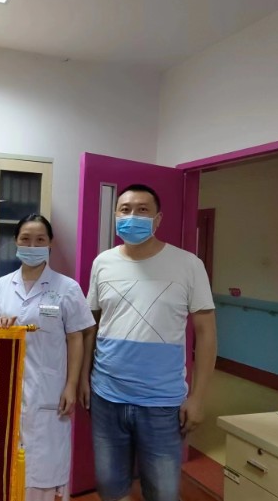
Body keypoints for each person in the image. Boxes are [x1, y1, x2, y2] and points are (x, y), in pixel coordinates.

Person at [79, 184, 217, 501]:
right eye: (125, 209)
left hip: (162, 403)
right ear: (116, 215)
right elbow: (92, 325)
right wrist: (85, 378)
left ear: (158, 219)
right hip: (106, 398)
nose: (132, 216)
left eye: (142, 210)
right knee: (110, 488)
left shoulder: (188, 264)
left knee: (163, 492)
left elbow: (207, 333)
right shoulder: (103, 262)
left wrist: (198, 398)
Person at [0, 214, 95, 501]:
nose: (32, 245)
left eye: (40, 240)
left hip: (49, 389)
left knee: (46, 465)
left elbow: (76, 336)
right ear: (15, 242)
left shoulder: (67, 287)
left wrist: (72, 385)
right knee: (6, 465)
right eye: (25, 239)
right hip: (7, 389)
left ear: (50, 243)